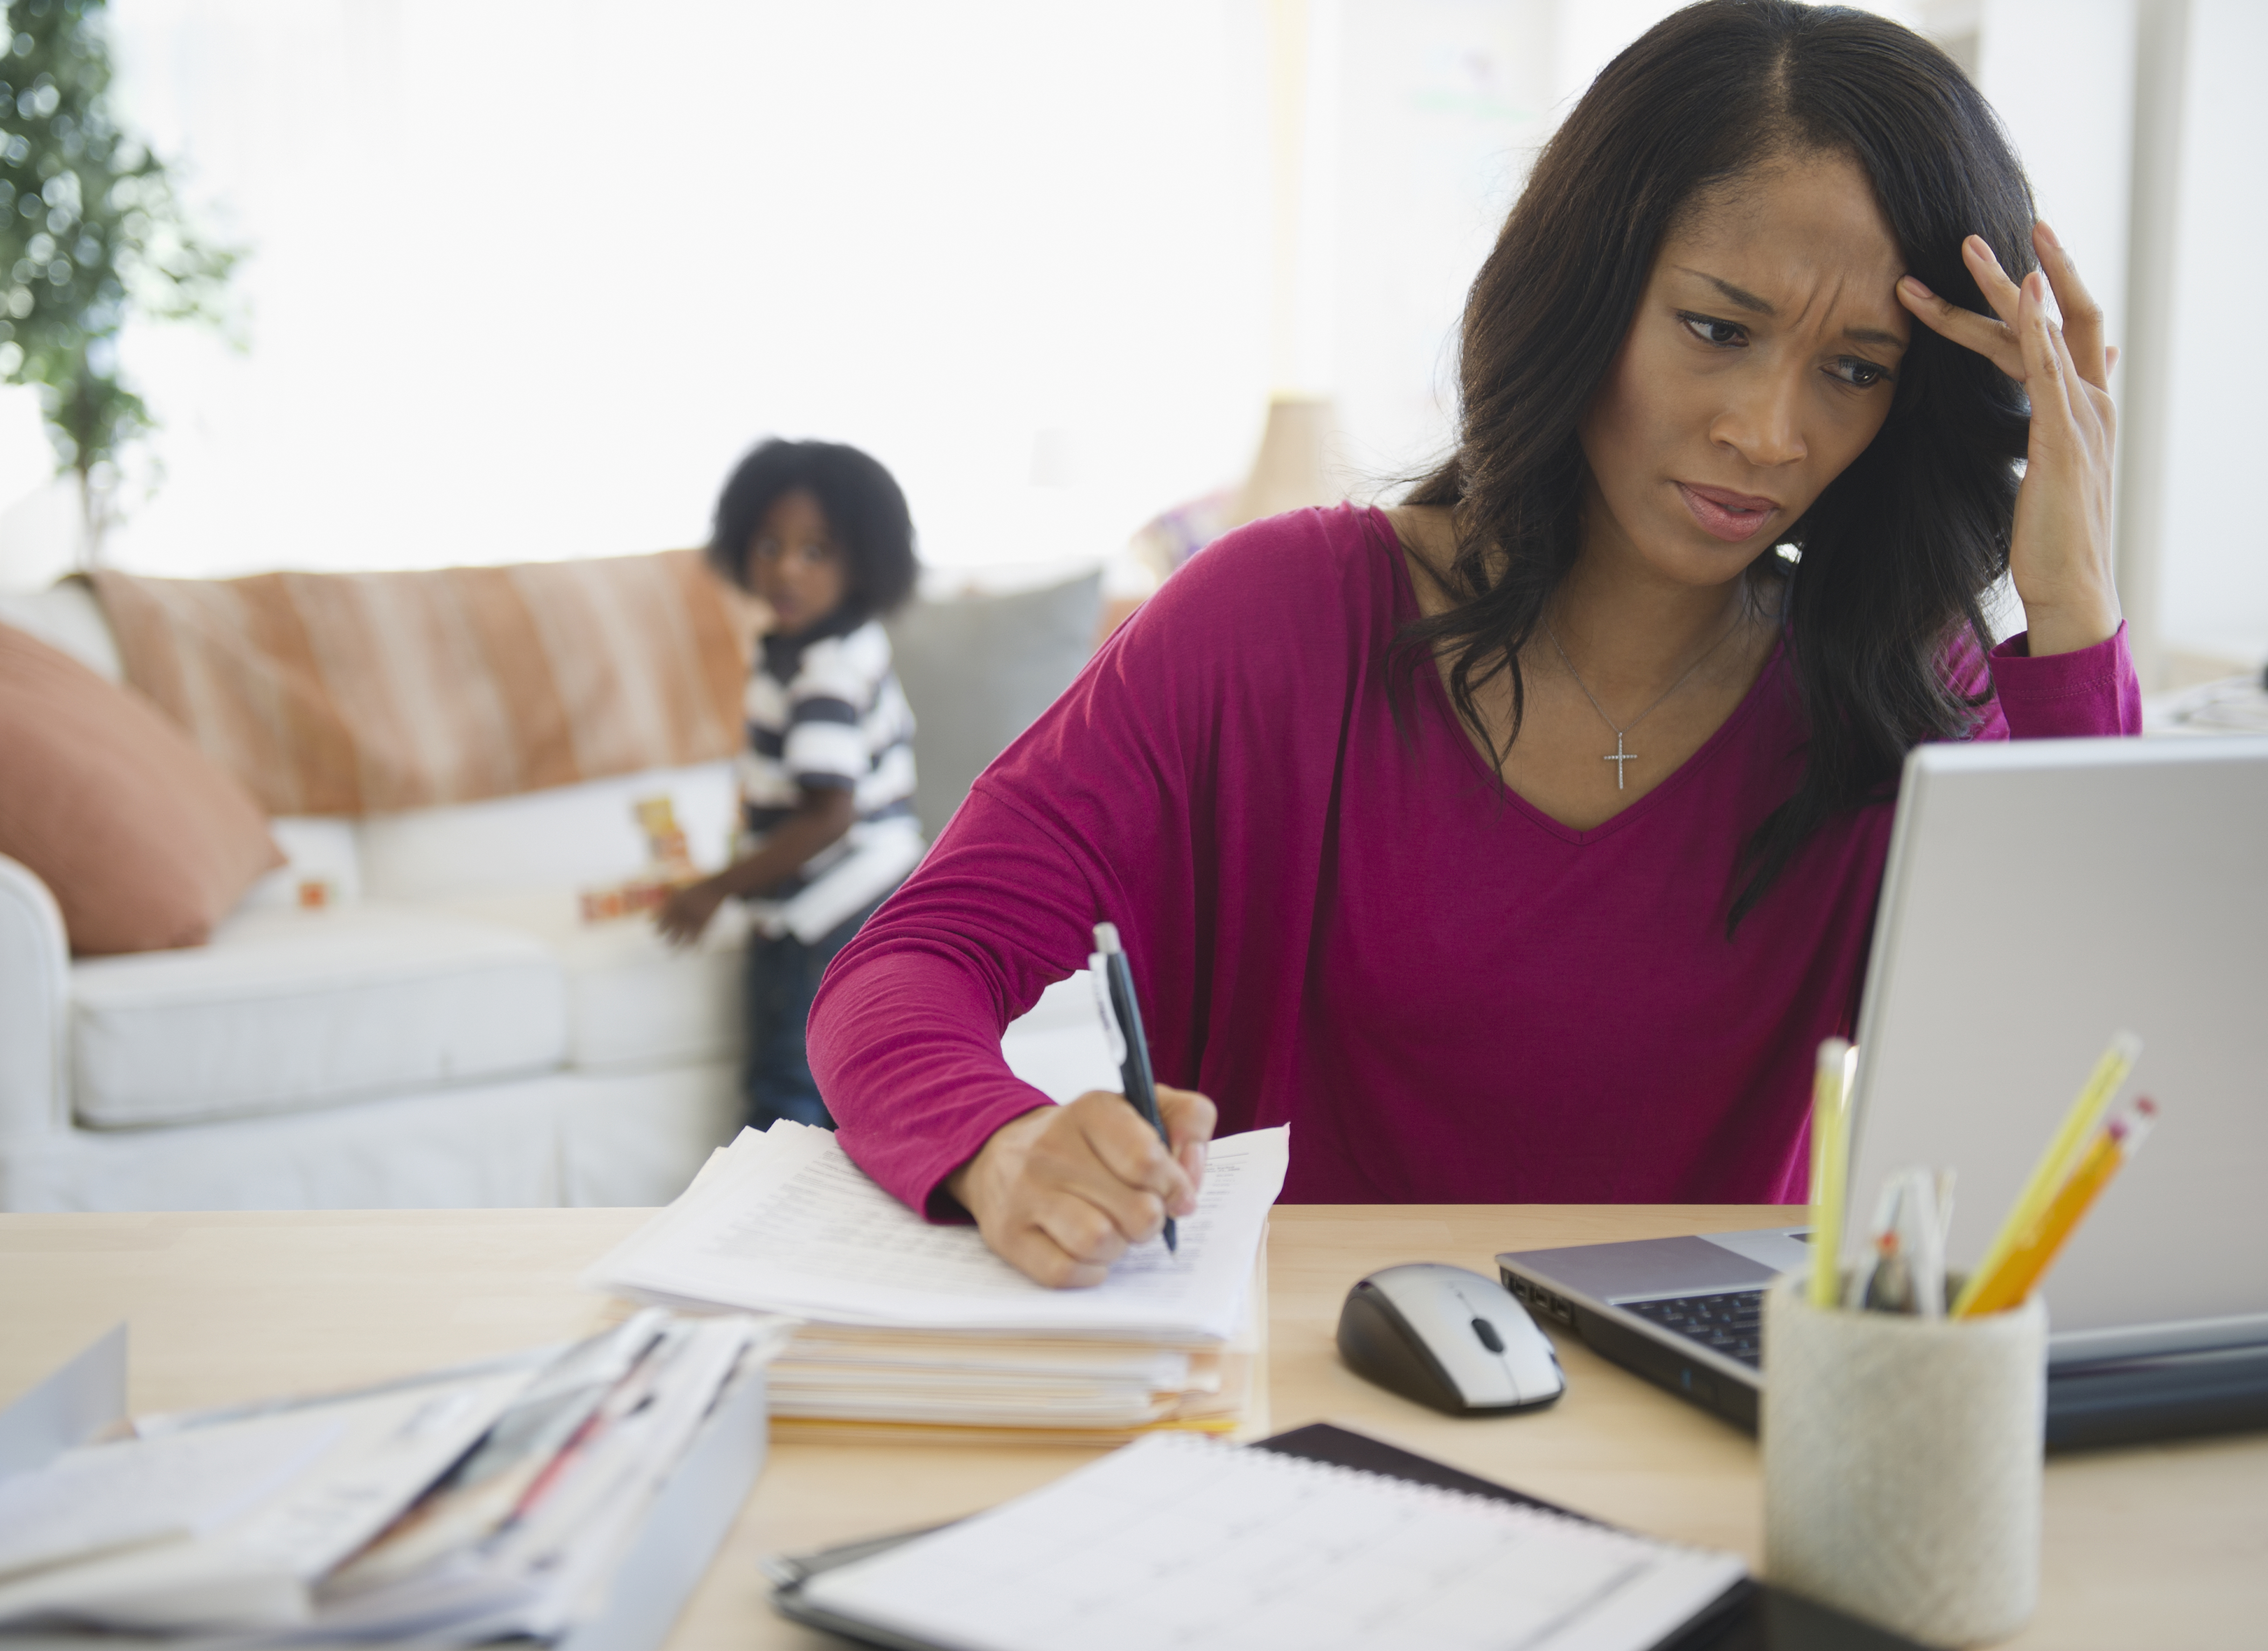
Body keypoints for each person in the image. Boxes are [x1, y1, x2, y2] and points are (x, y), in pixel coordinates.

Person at [811, 0, 2142, 1284]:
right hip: (1291, 1421)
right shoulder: (1271, 620)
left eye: (1854, 368)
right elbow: (907, 965)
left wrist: (2072, 599)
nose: (1769, 430)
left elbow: (2097, 1088)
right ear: (1587, 291)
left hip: (1708, 1447)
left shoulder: (1905, 694)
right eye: (1716, 330)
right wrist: (1003, 1139)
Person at [658, 439, 923, 1130]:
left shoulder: (823, 673)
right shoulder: (827, 646)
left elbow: (829, 814)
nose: (786, 570)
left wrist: (718, 886)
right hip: (879, 891)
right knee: (847, 1083)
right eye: (769, 545)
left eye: (815, 551)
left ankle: (769, 1222)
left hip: (826, 914)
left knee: (789, 1090)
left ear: (864, 558)